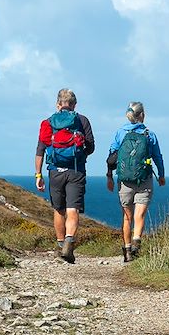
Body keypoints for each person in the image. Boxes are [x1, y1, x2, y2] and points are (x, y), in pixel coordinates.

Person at [35, 88, 95, 263]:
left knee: (58, 210)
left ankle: (61, 245)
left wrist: (38, 174)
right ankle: (69, 241)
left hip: (55, 171)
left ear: (58, 104)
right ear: (74, 104)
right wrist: (80, 155)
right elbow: (91, 146)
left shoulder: (48, 123)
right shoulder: (82, 120)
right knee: (72, 209)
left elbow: (40, 151)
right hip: (76, 170)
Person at [106, 101, 165, 262]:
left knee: (127, 217)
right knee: (140, 214)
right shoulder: (149, 134)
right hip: (144, 179)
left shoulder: (120, 133)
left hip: (124, 180)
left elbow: (112, 157)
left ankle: (126, 252)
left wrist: (109, 177)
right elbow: (157, 157)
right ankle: (136, 241)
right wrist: (161, 175)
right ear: (142, 115)